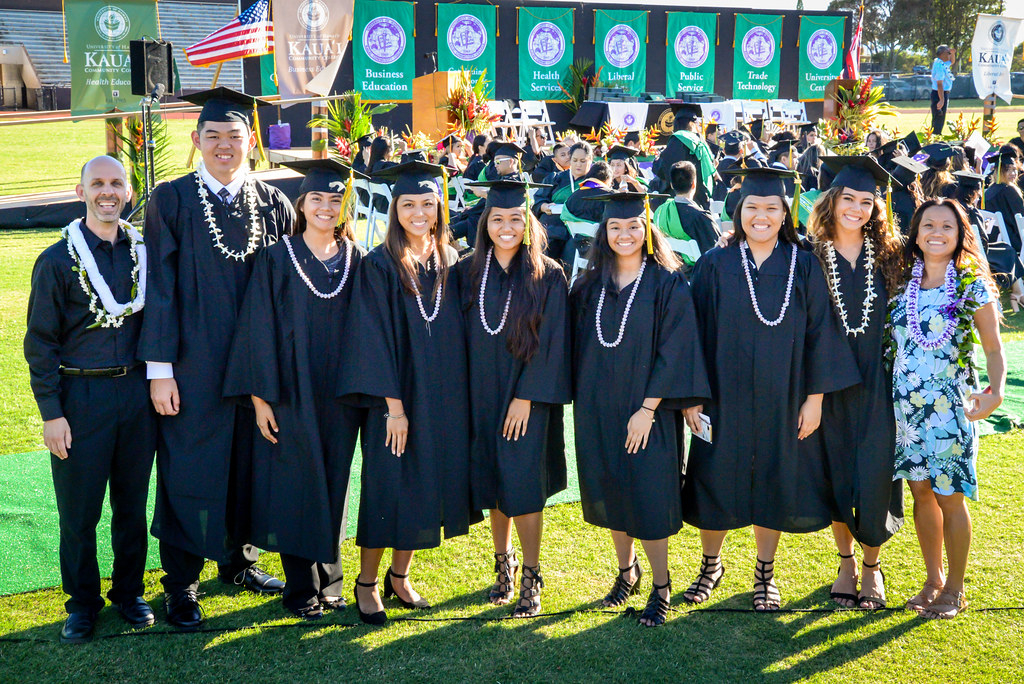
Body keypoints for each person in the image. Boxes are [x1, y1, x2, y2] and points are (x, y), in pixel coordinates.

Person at [140, 88, 293, 630]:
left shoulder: (273, 203)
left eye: (234, 136)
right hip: (193, 365)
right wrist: (160, 371)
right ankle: (180, 585)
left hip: (255, 367)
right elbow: (158, 286)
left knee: (250, 464)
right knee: (189, 467)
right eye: (213, 137)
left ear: (250, 141)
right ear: (195, 141)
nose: (224, 146)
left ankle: (238, 563)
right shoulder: (173, 199)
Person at [681, 167, 860, 610]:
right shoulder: (714, 264)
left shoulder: (802, 265)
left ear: (785, 213)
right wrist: (691, 397)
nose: (762, 216)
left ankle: (765, 572)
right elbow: (691, 333)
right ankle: (711, 564)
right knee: (714, 475)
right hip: (722, 394)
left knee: (775, 476)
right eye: (753, 207)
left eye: (772, 208)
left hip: (785, 394)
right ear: (740, 211)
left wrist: (815, 399)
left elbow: (822, 333)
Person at [222, 159, 367, 621]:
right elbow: (256, 328)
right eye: (317, 199)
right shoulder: (277, 256)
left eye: (335, 200)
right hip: (290, 391)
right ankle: (301, 588)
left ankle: (332, 581)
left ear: (346, 208)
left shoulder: (355, 257)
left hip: (341, 394)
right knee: (294, 484)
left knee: (335, 483)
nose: (326, 207)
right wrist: (260, 399)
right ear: (302, 205)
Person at [338, 160, 477, 626]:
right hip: (395, 400)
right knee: (388, 487)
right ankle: (367, 583)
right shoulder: (378, 265)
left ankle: (400, 577)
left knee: (423, 488)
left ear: (439, 208)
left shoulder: (451, 261)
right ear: (396, 209)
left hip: (440, 399)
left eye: (427, 204)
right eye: (408, 205)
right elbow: (371, 339)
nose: (418, 213)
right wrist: (394, 409)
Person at [24, 156, 156, 643]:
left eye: (116, 183)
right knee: (79, 511)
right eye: (97, 183)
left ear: (128, 191)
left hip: (136, 394)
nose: (108, 191)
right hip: (81, 397)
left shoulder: (143, 252)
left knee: (131, 505)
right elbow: (40, 344)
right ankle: (81, 602)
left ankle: (129, 592)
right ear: (80, 191)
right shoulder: (57, 260)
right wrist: (52, 414)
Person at [570, 191, 710, 627]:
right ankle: (626, 572)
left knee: (649, 495)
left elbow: (677, 349)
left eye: (633, 226)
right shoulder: (590, 285)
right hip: (598, 406)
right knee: (612, 487)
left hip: (648, 410)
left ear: (647, 229)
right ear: (604, 231)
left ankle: (661, 586)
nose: (624, 234)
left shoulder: (667, 282)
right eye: (615, 227)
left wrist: (648, 409)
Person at [456, 180, 571, 617]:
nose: (506, 227)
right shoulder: (465, 272)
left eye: (515, 219)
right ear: (484, 223)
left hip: (527, 400)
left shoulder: (548, 275)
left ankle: (531, 574)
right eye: (497, 219)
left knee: (523, 486)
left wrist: (527, 397)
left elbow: (554, 343)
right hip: (481, 395)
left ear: (528, 224)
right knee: (493, 482)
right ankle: (503, 565)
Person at [891, 198, 1004, 619]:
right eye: (928, 226)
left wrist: (994, 392)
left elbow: (993, 347)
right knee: (921, 491)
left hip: (950, 408)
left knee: (950, 496)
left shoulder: (971, 283)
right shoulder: (903, 281)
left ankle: (955, 588)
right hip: (907, 411)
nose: (936, 233)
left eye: (947, 227)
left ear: (960, 236)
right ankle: (933, 578)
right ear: (916, 233)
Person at [808, 157, 906, 610]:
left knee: (874, 476)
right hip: (826, 388)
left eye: (867, 201)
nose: (857, 209)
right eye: (848, 198)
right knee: (835, 475)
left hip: (878, 385)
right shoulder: (808, 256)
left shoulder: (892, 256)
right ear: (832, 201)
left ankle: (872, 567)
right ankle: (845, 562)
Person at [533, 141, 595, 261]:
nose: (578, 165)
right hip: (553, 226)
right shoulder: (555, 178)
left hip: (580, 230)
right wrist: (544, 206)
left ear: (591, 160)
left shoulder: (595, 183)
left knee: (572, 253)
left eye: (583, 161)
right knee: (544, 251)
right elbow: (539, 200)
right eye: (575, 160)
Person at [651, 160, 716, 266]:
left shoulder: (661, 211)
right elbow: (716, 252)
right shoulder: (701, 217)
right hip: (697, 275)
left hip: (671, 272)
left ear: (671, 185)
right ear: (694, 184)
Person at [653, 103, 717, 209]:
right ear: (692, 123)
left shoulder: (678, 138)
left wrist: (657, 161)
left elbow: (666, 167)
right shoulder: (700, 140)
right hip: (700, 194)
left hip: (682, 198)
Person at [930, 45, 956, 136]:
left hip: (943, 93)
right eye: (948, 53)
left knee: (939, 120)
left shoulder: (942, 63)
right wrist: (941, 100)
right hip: (939, 94)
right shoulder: (939, 66)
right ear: (941, 54)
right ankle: (935, 140)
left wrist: (952, 53)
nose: (949, 54)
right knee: (938, 119)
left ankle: (935, 137)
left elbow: (952, 61)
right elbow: (939, 84)